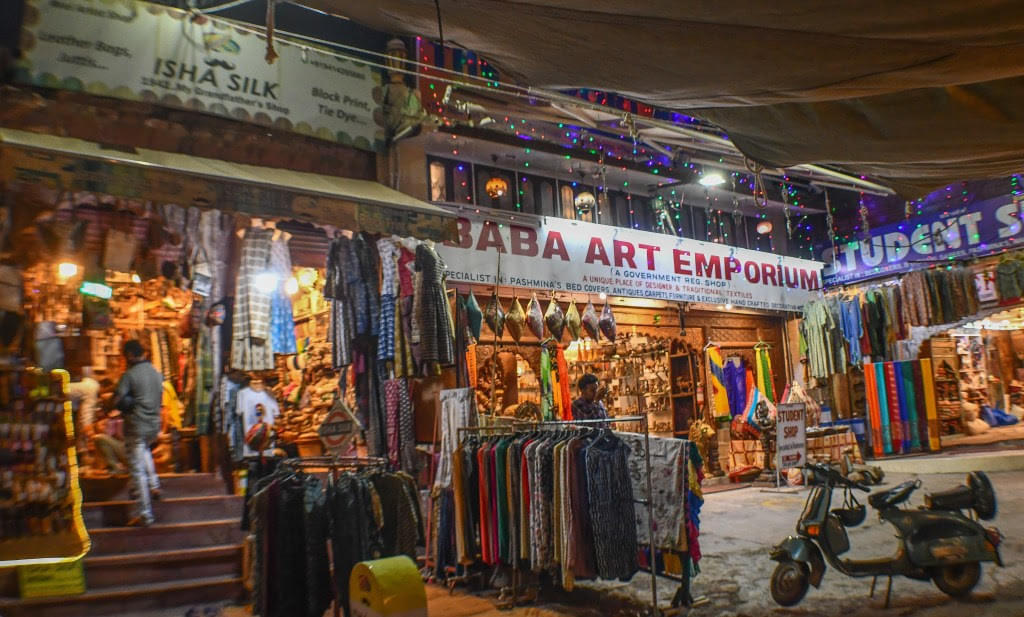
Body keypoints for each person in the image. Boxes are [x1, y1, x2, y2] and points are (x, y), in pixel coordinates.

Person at [113, 340, 163, 526]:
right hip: (153, 425)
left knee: (136, 470)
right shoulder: (157, 373)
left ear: (130, 355)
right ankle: (155, 485)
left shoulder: (129, 375)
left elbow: (117, 400)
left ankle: (145, 514)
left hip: (136, 425)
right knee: (145, 451)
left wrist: (126, 403)